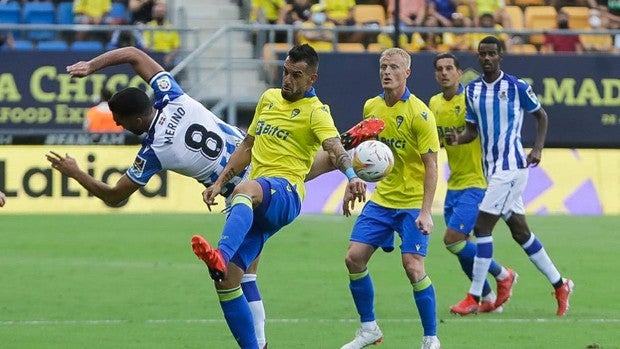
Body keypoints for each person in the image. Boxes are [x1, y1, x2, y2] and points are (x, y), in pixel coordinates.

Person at [191, 43, 367, 349]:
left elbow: (334, 149)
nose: (287, 79)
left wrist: (352, 176)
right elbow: (246, 147)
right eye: (285, 71)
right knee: (228, 280)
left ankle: (220, 253)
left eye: (296, 75)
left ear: (312, 79)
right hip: (259, 200)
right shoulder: (269, 98)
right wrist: (220, 182)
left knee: (245, 192)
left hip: (286, 194)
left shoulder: (316, 112)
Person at [446, 36, 574, 317]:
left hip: (513, 168)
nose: (487, 58)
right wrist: (458, 138)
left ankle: (474, 296)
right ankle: (560, 283)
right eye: (483, 54)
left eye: (492, 54)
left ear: (500, 56)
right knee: (521, 233)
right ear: (478, 57)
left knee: (481, 228)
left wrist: (538, 148)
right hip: (492, 171)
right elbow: (472, 130)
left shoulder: (516, 87)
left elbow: (541, 116)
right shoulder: (473, 91)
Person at [340, 47, 441, 349]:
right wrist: (351, 182)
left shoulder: (420, 115)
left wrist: (426, 211)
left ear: (407, 72)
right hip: (382, 200)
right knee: (353, 258)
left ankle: (431, 338)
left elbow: (432, 165)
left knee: (413, 267)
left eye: (394, 67)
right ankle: (369, 328)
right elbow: (361, 152)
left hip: (411, 204)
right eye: (383, 66)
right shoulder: (371, 106)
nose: (387, 72)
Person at [430, 52, 516, 314]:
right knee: (460, 245)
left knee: (453, 240)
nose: (444, 73)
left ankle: (503, 274)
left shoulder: (472, 99)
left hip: (478, 182)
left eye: (449, 68)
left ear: (459, 72)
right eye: (440, 69)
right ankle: (488, 299)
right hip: (454, 183)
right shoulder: (433, 103)